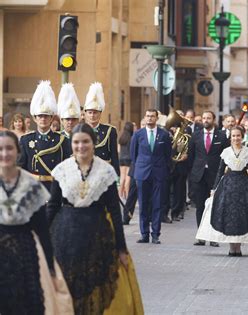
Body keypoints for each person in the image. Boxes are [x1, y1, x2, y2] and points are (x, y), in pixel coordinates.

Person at [47, 123, 143, 314]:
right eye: (76, 142)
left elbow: (115, 211)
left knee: (94, 288)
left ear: (94, 143)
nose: (81, 146)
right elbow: (52, 207)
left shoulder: (105, 171)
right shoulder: (61, 170)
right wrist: (41, 240)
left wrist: (121, 248)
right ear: (71, 144)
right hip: (65, 239)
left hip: (97, 237)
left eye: (85, 142)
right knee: (68, 287)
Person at [0, 131, 73, 314]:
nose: (5, 153)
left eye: (9, 148)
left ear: (18, 152)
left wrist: (50, 267)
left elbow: (42, 232)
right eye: (0, 149)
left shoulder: (31, 186)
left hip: (25, 256)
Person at [196, 126, 248, 255]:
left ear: (242, 136)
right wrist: (214, 188)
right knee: (229, 216)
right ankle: (232, 248)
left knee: (241, 217)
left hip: (245, 187)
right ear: (230, 137)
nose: (236, 138)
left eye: (238, 135)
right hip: (227, 187)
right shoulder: (226, 152)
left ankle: (238, 248)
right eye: (233, 136)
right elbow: (220, 171)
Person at [19, 80, 71, 191]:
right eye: (40, 116)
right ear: (34, 118)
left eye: (46, 116)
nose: (43, 119)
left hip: (54, 189)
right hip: (32, 189)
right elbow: (20, 168)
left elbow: (68, 169)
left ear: (52, 118)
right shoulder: (25, 140)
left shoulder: (62, 140)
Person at [188, 110, 229, 246]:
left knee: (214, 207)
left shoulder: (222, 136)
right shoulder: (196, 136)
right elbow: (191, 156)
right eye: (204, 118)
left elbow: (226, 156)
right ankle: (201, 236)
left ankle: (213, 237)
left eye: (208, 118)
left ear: (213, 120)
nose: (205, 120)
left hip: (215, 176)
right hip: (199, 176)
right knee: (200, 206)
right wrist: (191, 174)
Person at [131, 109, 172, 244]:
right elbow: (133, 155)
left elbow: (168, 155)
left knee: (157, 204)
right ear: (145, 117)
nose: (149, 118)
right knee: (143, 204)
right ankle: (144, 234)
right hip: (142, 173)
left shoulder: (164, 135)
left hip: (158, 173)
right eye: (147, 116)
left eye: (152, 116)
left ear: (157, 118)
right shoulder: (138, 135)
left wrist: (164, 170)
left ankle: (155, 234)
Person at [83, 82, 120, 176]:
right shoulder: (80, 130)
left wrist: (117, 177)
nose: (92, 115)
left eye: (95, 112)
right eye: (90, 112)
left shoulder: (109, 130)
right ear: (85, 114)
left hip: (104, 172)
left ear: (100, 113)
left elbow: (114, 156)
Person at [118, 121, 134, 199]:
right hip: (129, 159)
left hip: (121, 158)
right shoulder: (132, 138)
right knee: (128, 178)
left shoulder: (121, 137)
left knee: (122, 177)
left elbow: (119, 149)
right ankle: (127, 195)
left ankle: (120, 195)